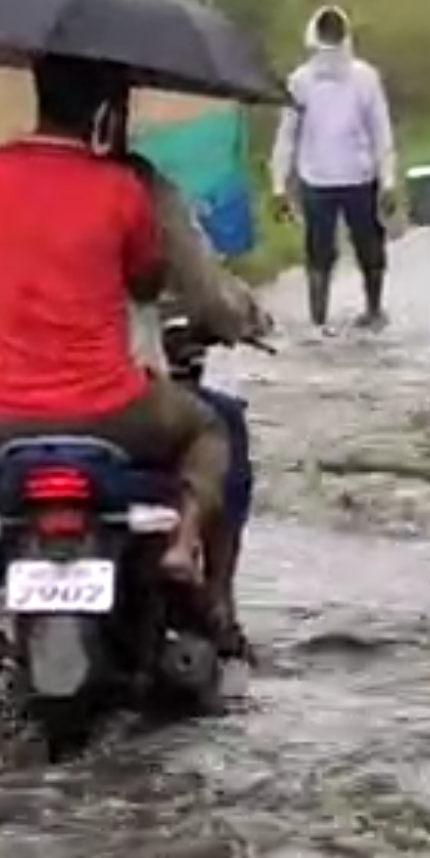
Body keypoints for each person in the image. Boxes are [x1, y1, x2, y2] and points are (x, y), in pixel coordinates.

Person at [0, 53, 232, 688]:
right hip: (111, 409)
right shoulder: (122, 188)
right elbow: (146, 281)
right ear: (103, 110)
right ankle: (183, 550)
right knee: (211, 430)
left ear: (35, 97)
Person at [123, 153, 271, 657]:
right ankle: (217, 596)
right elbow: (206, 293)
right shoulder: (140, 187)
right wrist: (241, 316)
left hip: (14, 407)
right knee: (222, 425)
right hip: (120, 394)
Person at [268, 5, 400, 333]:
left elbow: (380, 131)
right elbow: (287, 136)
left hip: (357, 177)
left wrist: (388, 180)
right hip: (320, 179)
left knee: (366, 247)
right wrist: (278, 185)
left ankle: (368, 310)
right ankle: (320, 318)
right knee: (320, 251)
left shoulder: (365, 78)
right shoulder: (300, 83)